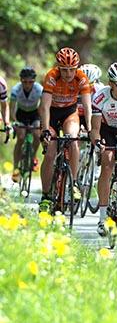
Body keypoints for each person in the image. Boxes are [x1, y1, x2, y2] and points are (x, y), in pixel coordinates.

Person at [39, 47, 91, 208]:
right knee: (50, 152)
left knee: (74, 140)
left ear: (77, 68)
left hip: (69, 112)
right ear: (58, 68)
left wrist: (89, 129)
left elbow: (88, 107)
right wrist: (45, 130)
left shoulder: (81, 78)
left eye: (71, 70)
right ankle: (46, 195)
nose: (68, 74)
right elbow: (45, 106)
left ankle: (74, 184)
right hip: (52, 114)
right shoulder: (52, 77)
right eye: (65, 70)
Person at [90, 62, 117, 236]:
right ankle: (102, 217)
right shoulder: (100, 97)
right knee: (107, 164)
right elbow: (94, 129)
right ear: (110, 83)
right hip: (107, 130)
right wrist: (98, 142)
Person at [10, 67, 43, 182]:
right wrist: (15, 122)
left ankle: (33, 157)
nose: (28, 85)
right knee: (21, 137)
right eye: (25, 82)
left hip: (35, 114)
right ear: (21, 80)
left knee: (37, 135)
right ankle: (15, 167)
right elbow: (12, 109)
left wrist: (42, 122)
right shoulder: (15, 90)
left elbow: (43, 107)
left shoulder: (39, 89)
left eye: (30, 82)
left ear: (34, 81)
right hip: (21, 115)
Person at [77, 63, 104, 131]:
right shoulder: (73, 87)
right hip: (76, 116)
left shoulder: (100, 89)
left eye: (90, 84)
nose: (87, 87)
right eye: (84, 84)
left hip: (93, 115)